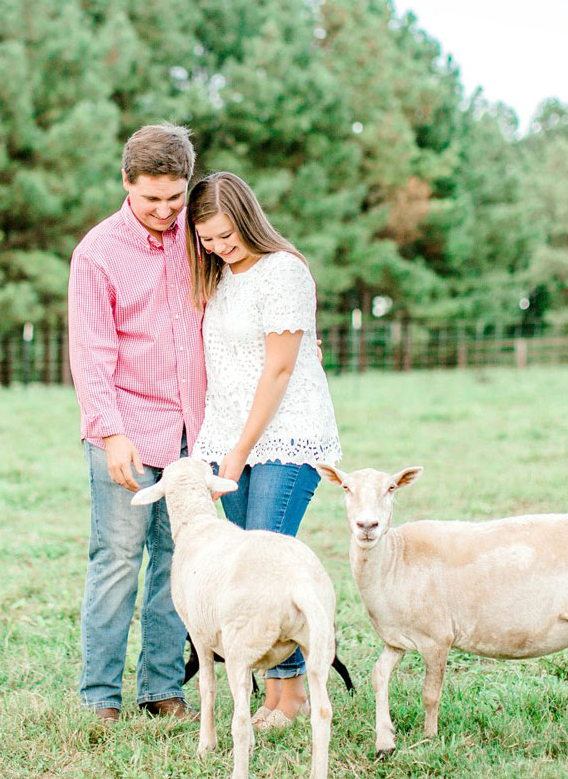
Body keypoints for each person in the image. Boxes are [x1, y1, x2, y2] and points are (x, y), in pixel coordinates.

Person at [185, 171, 342, 730]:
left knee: (268, 560)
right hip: (231, 437)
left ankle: (289, 696)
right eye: (207, 238)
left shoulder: (284, 272)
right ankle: (277, 695)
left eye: (227, 235)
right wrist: (224, 445)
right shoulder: (222, 277)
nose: (218, 247)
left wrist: (238, 449)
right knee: (249, 567)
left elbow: (277, 371)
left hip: (284, 434)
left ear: (248, 219)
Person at [68, 123, 204, 722]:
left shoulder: (198, 236)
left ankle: (162, 688)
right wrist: (111, 432)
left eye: (176, 198)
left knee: (178, 562)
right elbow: (91, 351)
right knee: (118, 561)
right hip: (124, 425)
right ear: (127, 183)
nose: (165, 211)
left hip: (191, 434)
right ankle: (100, 696)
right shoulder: (97, 252)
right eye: (152, 198)